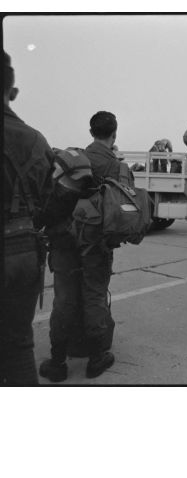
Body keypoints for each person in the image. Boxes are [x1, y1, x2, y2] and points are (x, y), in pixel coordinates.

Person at [39, 111, 121, 382]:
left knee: (64, 299)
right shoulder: (115, 165)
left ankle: (57, 361)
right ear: (114, 132)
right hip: (94, 242)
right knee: (94, 295)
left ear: (90, 132)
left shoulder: (74, 160)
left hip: (63, 239)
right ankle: (97, 359)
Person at [2, 51, 54, 385]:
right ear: (13, 92)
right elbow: (49, 204)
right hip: (23, 250)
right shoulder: (36, 140)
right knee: (19, 345)